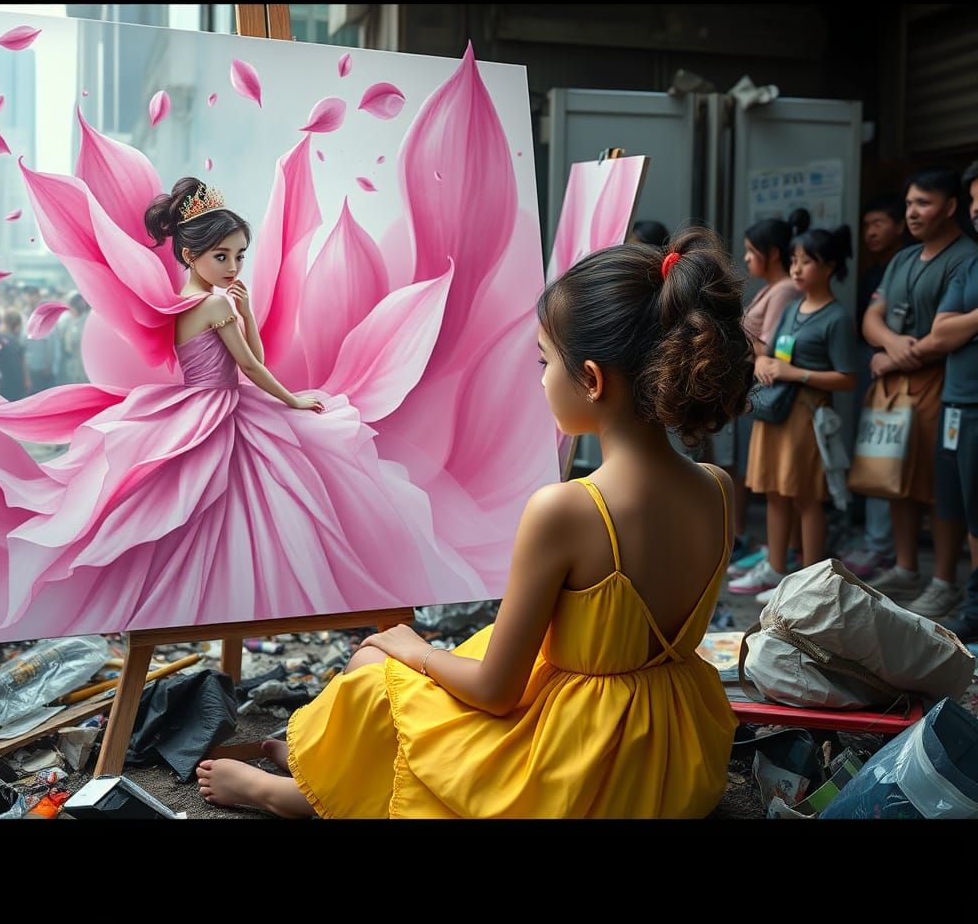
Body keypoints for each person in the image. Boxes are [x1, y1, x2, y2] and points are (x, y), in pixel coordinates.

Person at [195, 229, 754, 818]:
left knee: (375, 667)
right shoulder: (717, 489)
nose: (540, 379)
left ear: (591, 379)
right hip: (671, 755)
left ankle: (294, 795)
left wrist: (416, 649)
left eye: (544, 362)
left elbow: (495, 691)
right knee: (420, 663)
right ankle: (324, 767)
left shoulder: (566, 510)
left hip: (578, 768)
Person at [0, 178, 486, 640]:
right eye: (221, 256)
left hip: (196, 405)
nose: (232, 267)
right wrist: (293, 399)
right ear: (191, 256)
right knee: (260, 503)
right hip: (222, 406)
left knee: (212, 511)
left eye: (238, 256)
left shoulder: (185, 305)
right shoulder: (212, 303)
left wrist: (246, 311)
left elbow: (248, 357)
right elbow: (252, 365)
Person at [863, 168, 978, 617]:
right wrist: (891, 344)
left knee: (938, 486)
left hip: (938, 381)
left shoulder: (966, 256)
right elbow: (872, 316)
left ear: (950, 207)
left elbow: (946, 334)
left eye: (923, 204)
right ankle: (906, 568)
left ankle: (944, 580)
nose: (912, 213)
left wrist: (892, 357)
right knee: (895, 478)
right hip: (895, 385)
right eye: (909, 203)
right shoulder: (903, 258)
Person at [735, 224, 858, 599]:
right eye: (794, 260)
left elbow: (848, 379)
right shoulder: (791, 308)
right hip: (776, 411)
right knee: (774, 492)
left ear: (830, 267)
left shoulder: (837, 317)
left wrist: (795, 373)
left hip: (806, 415)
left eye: (807, 261)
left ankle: (809, 582)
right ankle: (776, 570)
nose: (797, 268)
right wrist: (762, 363)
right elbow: (769, 352)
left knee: (806, 497)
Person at [718, 211, 804, 565]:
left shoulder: (784, 290)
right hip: (756, 387)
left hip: (770, 391)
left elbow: (770, 347)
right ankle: (773, 550)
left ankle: (781, 552)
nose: (747, 259)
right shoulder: (773, 289)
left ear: (773, 254)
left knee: (773, 481)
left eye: (752, 252)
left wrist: (732, 338)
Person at [839, 193, 912, 579]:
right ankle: (877, 542)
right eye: (867, 225)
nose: (870, 232)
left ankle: (885, 548)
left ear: (899, 227)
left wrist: (890, 351)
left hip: (904, 372)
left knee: (890, 458)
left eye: (879, 223)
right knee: (875, 453)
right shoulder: (877, 271)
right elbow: (868, 322)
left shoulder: (906, 266)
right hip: (876, 367)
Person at [930, 160, 978, 640]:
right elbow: (942, 331)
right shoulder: (971, 265)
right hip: (959, 403)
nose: (976, 211)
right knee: (961, 504)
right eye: (975, 202)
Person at [0, 309, 30, 402]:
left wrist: (27, 379)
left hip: (15, 383)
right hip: (8, 383)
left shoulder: (14, 340)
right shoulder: (1, 340)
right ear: (16, 326)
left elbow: (22, 360)